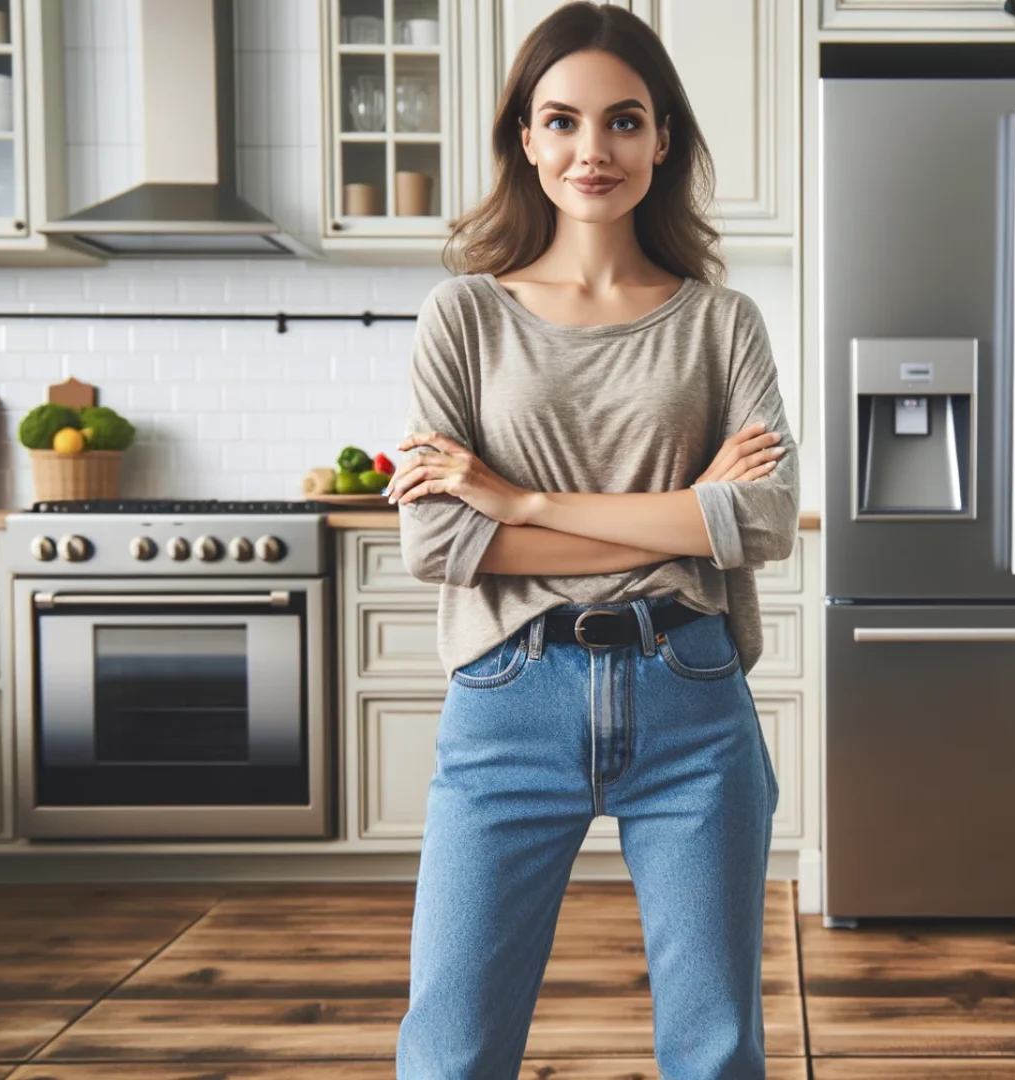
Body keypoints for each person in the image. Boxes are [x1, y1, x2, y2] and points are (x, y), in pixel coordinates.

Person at [385, 4, 799, 1077]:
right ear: (525, 138)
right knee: (451, 1047)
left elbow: (755, 522)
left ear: (663, 139)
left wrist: (518, 505)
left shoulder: (722, 323)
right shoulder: (463, 317)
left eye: (623, 122)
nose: (592, 150)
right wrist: (681, 516)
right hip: (508, 703)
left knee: (716, 1051)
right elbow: (437, 539)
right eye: (561, 121)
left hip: (689, 696)